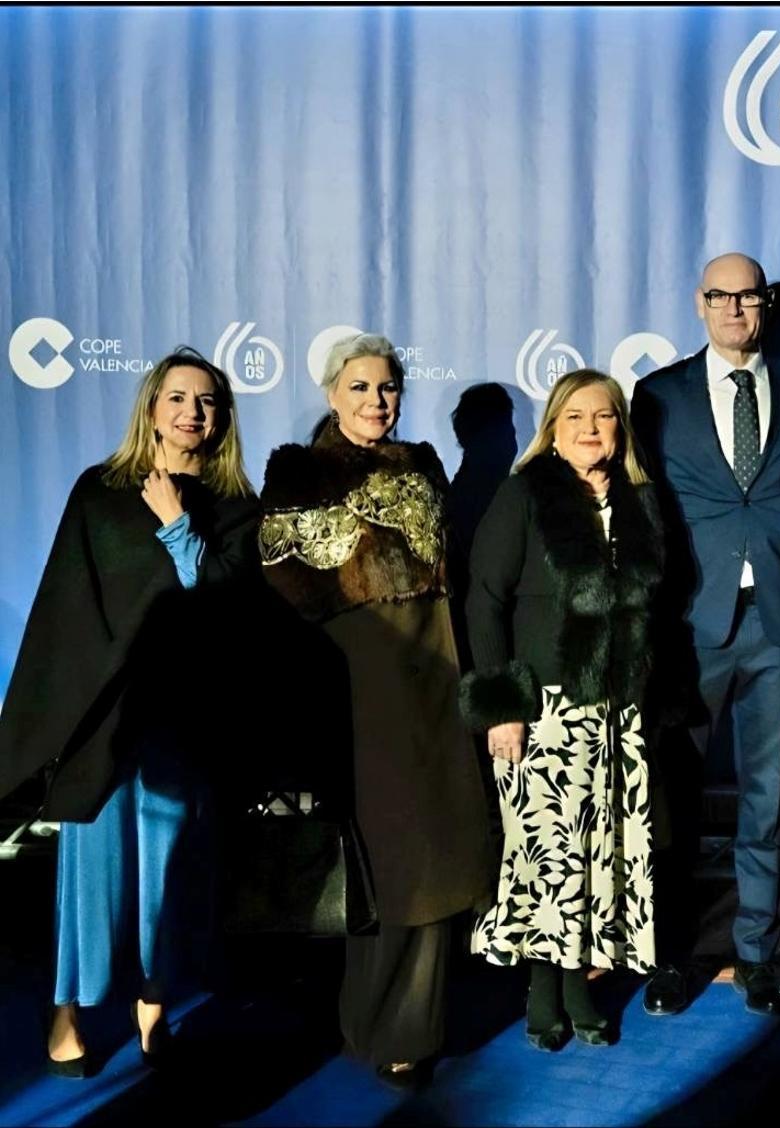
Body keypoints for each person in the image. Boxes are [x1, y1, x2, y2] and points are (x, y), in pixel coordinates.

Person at [0, 348, 260, 1077]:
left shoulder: (236, 505)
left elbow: (224, 610)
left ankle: (152, 1004)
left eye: (207, 401)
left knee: (167, 878)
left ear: (223, 418)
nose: (192, 412)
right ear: (151, 407)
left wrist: (179, 527)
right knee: (94, 879)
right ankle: (69, 1009)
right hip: (104, 720)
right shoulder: (101, 490)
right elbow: (65, 608)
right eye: (178, 397)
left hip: (183, 721)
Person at [258, 333, 492, 1085]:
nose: (376, 401)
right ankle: (370, 1021)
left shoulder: (423, 464)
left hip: (437, 672)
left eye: (387, 387)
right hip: (359, 683)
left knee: (438, 857)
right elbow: (281, 581)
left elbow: (449, 572)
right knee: (388, 863)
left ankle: (408, 1029)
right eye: (359, 388)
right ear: (332, 394)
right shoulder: (297, 471)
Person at [631, 252, 780, 1017]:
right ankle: (674, 958)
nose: (734, 310)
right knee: (675, 804)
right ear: (699, 304)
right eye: (720, 296)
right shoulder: (655, 397)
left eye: (748, 297)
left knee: (765, 803)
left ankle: (756, 955)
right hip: (692, 626)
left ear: (767, 307)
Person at [459, 369, 664, 1049]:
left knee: (600, 854)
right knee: (546, 856)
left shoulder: (638, 500)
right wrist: (501, 707)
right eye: (574, 416)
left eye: (602, 417)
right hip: (540, 706)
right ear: (553, 426)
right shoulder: (525, 495)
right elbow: (484, 600)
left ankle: (581, 981)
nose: (588, 429)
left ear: (619, 427)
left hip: (613, 710)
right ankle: (545, 989)